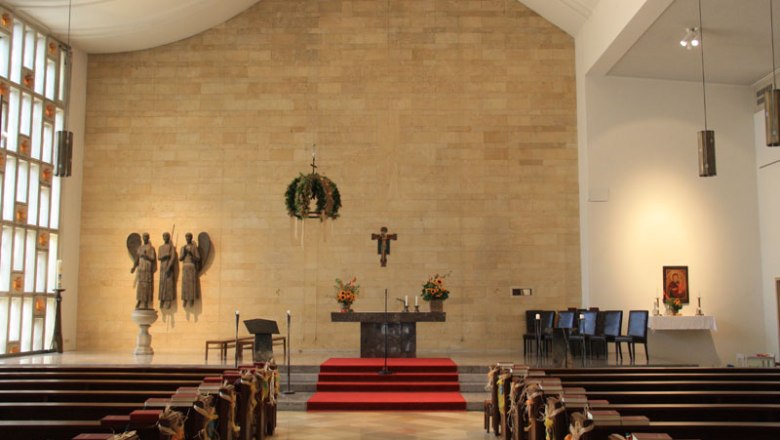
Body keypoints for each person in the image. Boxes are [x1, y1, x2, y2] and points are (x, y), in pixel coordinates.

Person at [130, 232, 156, 309]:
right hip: (141, 268)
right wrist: (134, 267)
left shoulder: (151, 248)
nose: (145, 238)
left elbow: (153, 258)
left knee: (147, 285)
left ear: (148, 238)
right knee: (140, 285)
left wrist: (146, 255)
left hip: (147, 267)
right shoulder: (140, 248)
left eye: (146, 237)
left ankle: (146, 302)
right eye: (143, 237)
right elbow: (137, 259)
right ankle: (139, 301)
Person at [179, 232, 201, 307]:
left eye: (189, 237)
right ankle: (185, 299)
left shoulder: (194, 247)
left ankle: (191, 299)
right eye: (186, 237)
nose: (187, 238)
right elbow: (180, 258)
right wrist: (184, 253)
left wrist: (192, 254)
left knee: (191, 284)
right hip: (185, 266)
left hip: (191, 266)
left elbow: (198, 258)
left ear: (191, 238)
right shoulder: (183, 247)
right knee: (185, 283)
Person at [157, 232, 177, 309]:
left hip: (169, 266)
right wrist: (165, 255)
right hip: (162, 266)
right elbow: (159, 257)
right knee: (162, 283)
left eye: (167, 236)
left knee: (169, 284)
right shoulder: (161, 247)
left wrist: (169, 267)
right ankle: (162, 299)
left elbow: (173, 257)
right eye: (164, 236)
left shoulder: (171, 247)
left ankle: (168, 300)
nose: (165, 238)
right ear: (163, 238)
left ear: (169, 238)